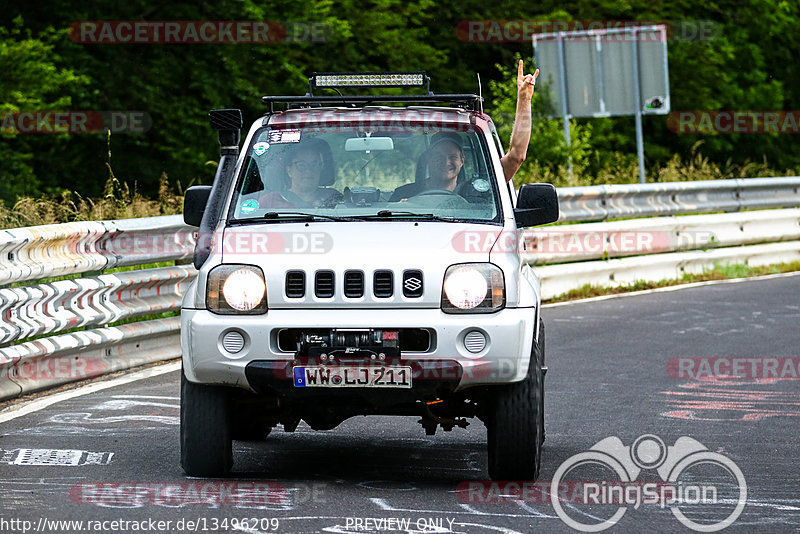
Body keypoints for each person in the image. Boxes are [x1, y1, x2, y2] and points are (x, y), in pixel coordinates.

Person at [390, 60, 539, 202]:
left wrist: (524, 99)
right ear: (428, 159)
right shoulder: (404, 194)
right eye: (438, 156)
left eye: (452, 156)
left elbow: (516, 156)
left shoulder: (481, 192)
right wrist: (399, 209)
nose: (446, 161)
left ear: (462, 160)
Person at [259, 139, 343, 208]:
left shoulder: (333, 198)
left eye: (314, 165)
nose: (309, 170)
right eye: (301, 165)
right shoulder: (269, 202)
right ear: (289, 170)